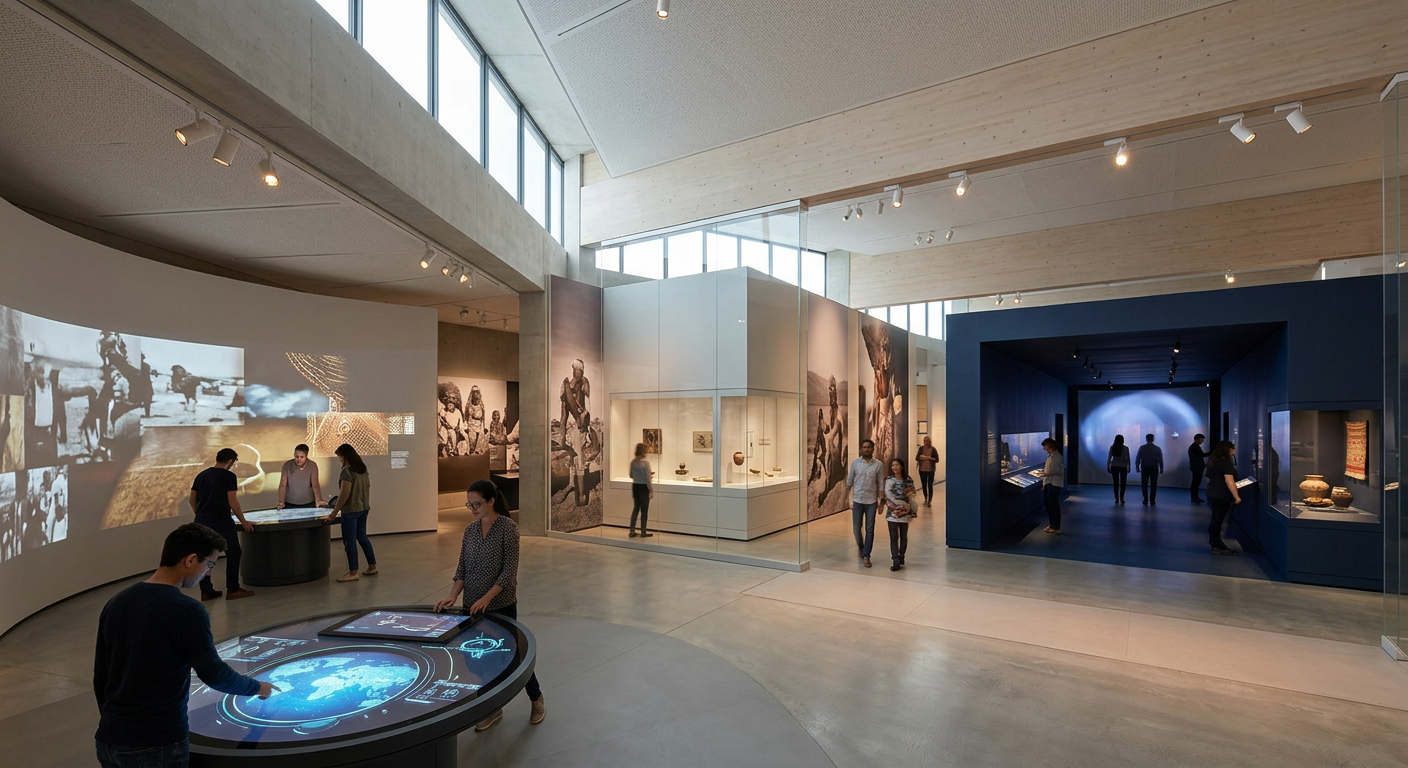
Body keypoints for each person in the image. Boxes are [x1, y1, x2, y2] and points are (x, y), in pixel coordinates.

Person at [93, 523, 276, 767]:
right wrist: (257, 687)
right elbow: (214, 673)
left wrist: (114, 724)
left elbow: (101, 677)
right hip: (157, 744)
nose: (208, 573)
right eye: (210, 564)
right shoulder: (186, 611)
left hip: (109, 739)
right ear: (190, 560)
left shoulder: (116, 602)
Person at [434, 479, 545, 729]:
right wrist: (453, 595)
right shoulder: (470, 530)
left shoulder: (508, 528)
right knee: (478, 657)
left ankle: (536, 697)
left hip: (500, 605)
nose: (473, 509)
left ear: (491, 501)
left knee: (511, 657)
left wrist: (487, 598)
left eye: (477, 504)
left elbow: (509, 572)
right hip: (472, 606)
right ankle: (492, 707)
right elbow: (462, 568)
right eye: (469, 504)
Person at [189, 448, 254, 601]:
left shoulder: (201, 475)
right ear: (230, 461)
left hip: (202, 521)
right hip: (222, 522)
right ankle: (233, 589)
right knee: (234, 552)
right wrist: (243, 521)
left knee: (206, 556)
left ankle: (206, 591)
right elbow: (233, 501)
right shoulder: (229, 476)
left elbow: (192, 500)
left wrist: (200, 513)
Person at [323, 443, 376, 581]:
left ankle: (353, 572)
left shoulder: (347, 471)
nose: (339, 459)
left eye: (339, 456)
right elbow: (368, 488)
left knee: (349, 541)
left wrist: (334, 512)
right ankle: (372, 566)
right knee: (362, 537)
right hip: (363, 508)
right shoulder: (362, 469)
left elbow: (344, 494)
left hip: (351, 510)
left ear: (344, 456)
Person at [845, 439, 884, 568]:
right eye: (864, 447)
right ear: (861, 449)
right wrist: (846, 498)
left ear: (873, 449)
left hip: (871, 502)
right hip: (858, 500)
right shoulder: (855, 463)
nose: (866, 449)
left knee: (869, 529)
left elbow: (881, 484)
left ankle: (867, 555)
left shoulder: (878, 465)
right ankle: (861, 547)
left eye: (869, 447)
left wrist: (881, 502)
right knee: (857, 529)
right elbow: (849, 481)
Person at [1205, 441, 1241, 555]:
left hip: (1212, 493)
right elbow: (1229, 481)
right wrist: (1237, 497)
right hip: (1222, 495)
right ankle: (1217, 544)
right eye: (1232, 449)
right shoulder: (1226, 463)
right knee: (1218, 520)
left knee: (1215, 519)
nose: (1233, 452)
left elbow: (1208, 477)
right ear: (1228, 449)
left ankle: (1214, 543)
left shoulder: (1212, 461)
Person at [883, 458, 917, 571]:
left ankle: (902, 555)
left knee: (903, 536)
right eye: (893, 465)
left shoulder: (908, 480)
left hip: (905, 512)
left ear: (902, 467)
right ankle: (895, 560)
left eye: (897, 465)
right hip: (892, 512)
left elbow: (912, 495)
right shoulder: (889, 480)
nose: (895, 467)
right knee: (893, 537)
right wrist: (897, 505)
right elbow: (888, 494)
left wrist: (910, 509)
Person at [277, 443, 324, 509]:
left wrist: (318, 500)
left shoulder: (312, 465)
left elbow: (315, 485)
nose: (299, 459)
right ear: (294, 455)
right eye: (297, 456)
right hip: (290, 503)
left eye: (302, 457)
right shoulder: (287, 465)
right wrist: (281, 501)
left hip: (308, 503)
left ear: (306, 456)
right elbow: (283, 485)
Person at [628, 442, 653, 538]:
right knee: (644, 510)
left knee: (636, 508)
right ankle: (643, 531)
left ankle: (632, 530)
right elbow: (648, 478)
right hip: (643, 487)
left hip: (635, 486)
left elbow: (631, 475)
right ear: (643, 452)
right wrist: (651, 490)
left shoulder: (633, 462)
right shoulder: (645, 464)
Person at [1040, 437, 1064, 534]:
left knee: (1053, 505)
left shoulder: (1056, 456)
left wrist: (1044, 474)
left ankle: (1056, 526)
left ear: (1049, 446)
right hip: (1049, 483)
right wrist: (1044, 484)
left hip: (1054, 483)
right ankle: (1052, 525)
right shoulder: (1052, 456)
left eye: (1045, 446)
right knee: (1049, 504)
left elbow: (1053, 470)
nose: (1044, 448)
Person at [1135, 433, 1164, 505]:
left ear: (1146, 439)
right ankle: (1152, 500)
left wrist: (1137, 467)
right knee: (1153, 485)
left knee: (1144, 484)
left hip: (1144, 468)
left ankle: (1145, 499)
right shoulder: (1157, 449)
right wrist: (1161, 468)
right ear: (1153, 439)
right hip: (1154, 468)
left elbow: (1138, 458)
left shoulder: (1142, 448)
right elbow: (1160, 460)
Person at [914, 437, 939, 507]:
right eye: (925, 441)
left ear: (930, 442)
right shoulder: (921, 449)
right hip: (922, 470)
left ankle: (929, 500)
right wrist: (922, 458)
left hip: (930, 470)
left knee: (930, 485)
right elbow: (917, 458)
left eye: (927, 441)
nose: (926, 442)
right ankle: (925, 498)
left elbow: (937, 459)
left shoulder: (933, 449)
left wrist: (929, 458)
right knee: (924, 485)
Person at [1188, 433, 1211, 504]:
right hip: (1197, 467)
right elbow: (1200, 456)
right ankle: (1194, 497)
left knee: (1196, 482)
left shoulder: (1194, 447)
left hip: (1196, 467)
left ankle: (1194, 497)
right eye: (1201, 440)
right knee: (1196, 482)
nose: (1202, 441)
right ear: (1196, 439)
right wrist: (1211, 453)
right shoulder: (1194, 447)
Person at [1107, 434, 1130, 504]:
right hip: (1123, 467)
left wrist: (1108, 466)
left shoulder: (1112, 448)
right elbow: (1128, 459)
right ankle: (1122, 497)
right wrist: (1129, 466)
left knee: (1115, 483)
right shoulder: (1126, 448)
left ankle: (1116, 497)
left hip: (1114, 466)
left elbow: (1109, 458)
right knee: (1123, 483)